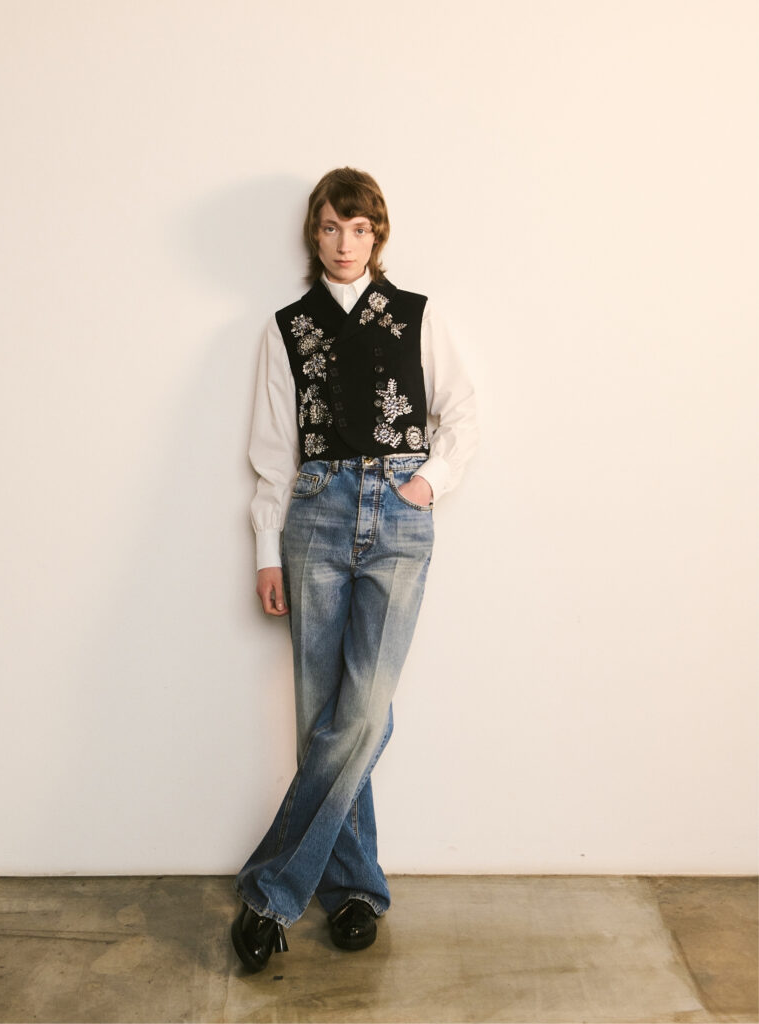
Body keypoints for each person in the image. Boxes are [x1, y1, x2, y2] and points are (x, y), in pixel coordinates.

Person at [231, 167, 477, 972]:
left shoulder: (416, 315)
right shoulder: (286, 327)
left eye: (360, 228)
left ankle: (271, 891)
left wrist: (428, 482)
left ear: (378, 234)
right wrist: (264, 548)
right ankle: (353, 890)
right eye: (332, 228)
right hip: (315, 512)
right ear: (314, 233)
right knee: (321, 716)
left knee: (362, 712)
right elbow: (272, 449)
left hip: (397, 513)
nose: (345, 243)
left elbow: (460, 411)